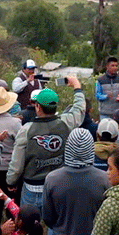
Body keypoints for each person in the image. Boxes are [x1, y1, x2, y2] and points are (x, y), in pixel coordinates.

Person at [7, 77, 85, 209]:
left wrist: (11, 181)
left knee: (29, 225)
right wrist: (77, 87)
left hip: (32, 187)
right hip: (58, 185)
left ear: (37, 107)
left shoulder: (26, 130)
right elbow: (79, 109)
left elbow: (16, 165)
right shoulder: (66, 123)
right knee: (56, 226)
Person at [43, 128, 110, 235]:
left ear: (68, 148)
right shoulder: (105, 180)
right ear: (91, 149)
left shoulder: (52, 179)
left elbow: (48, 217)